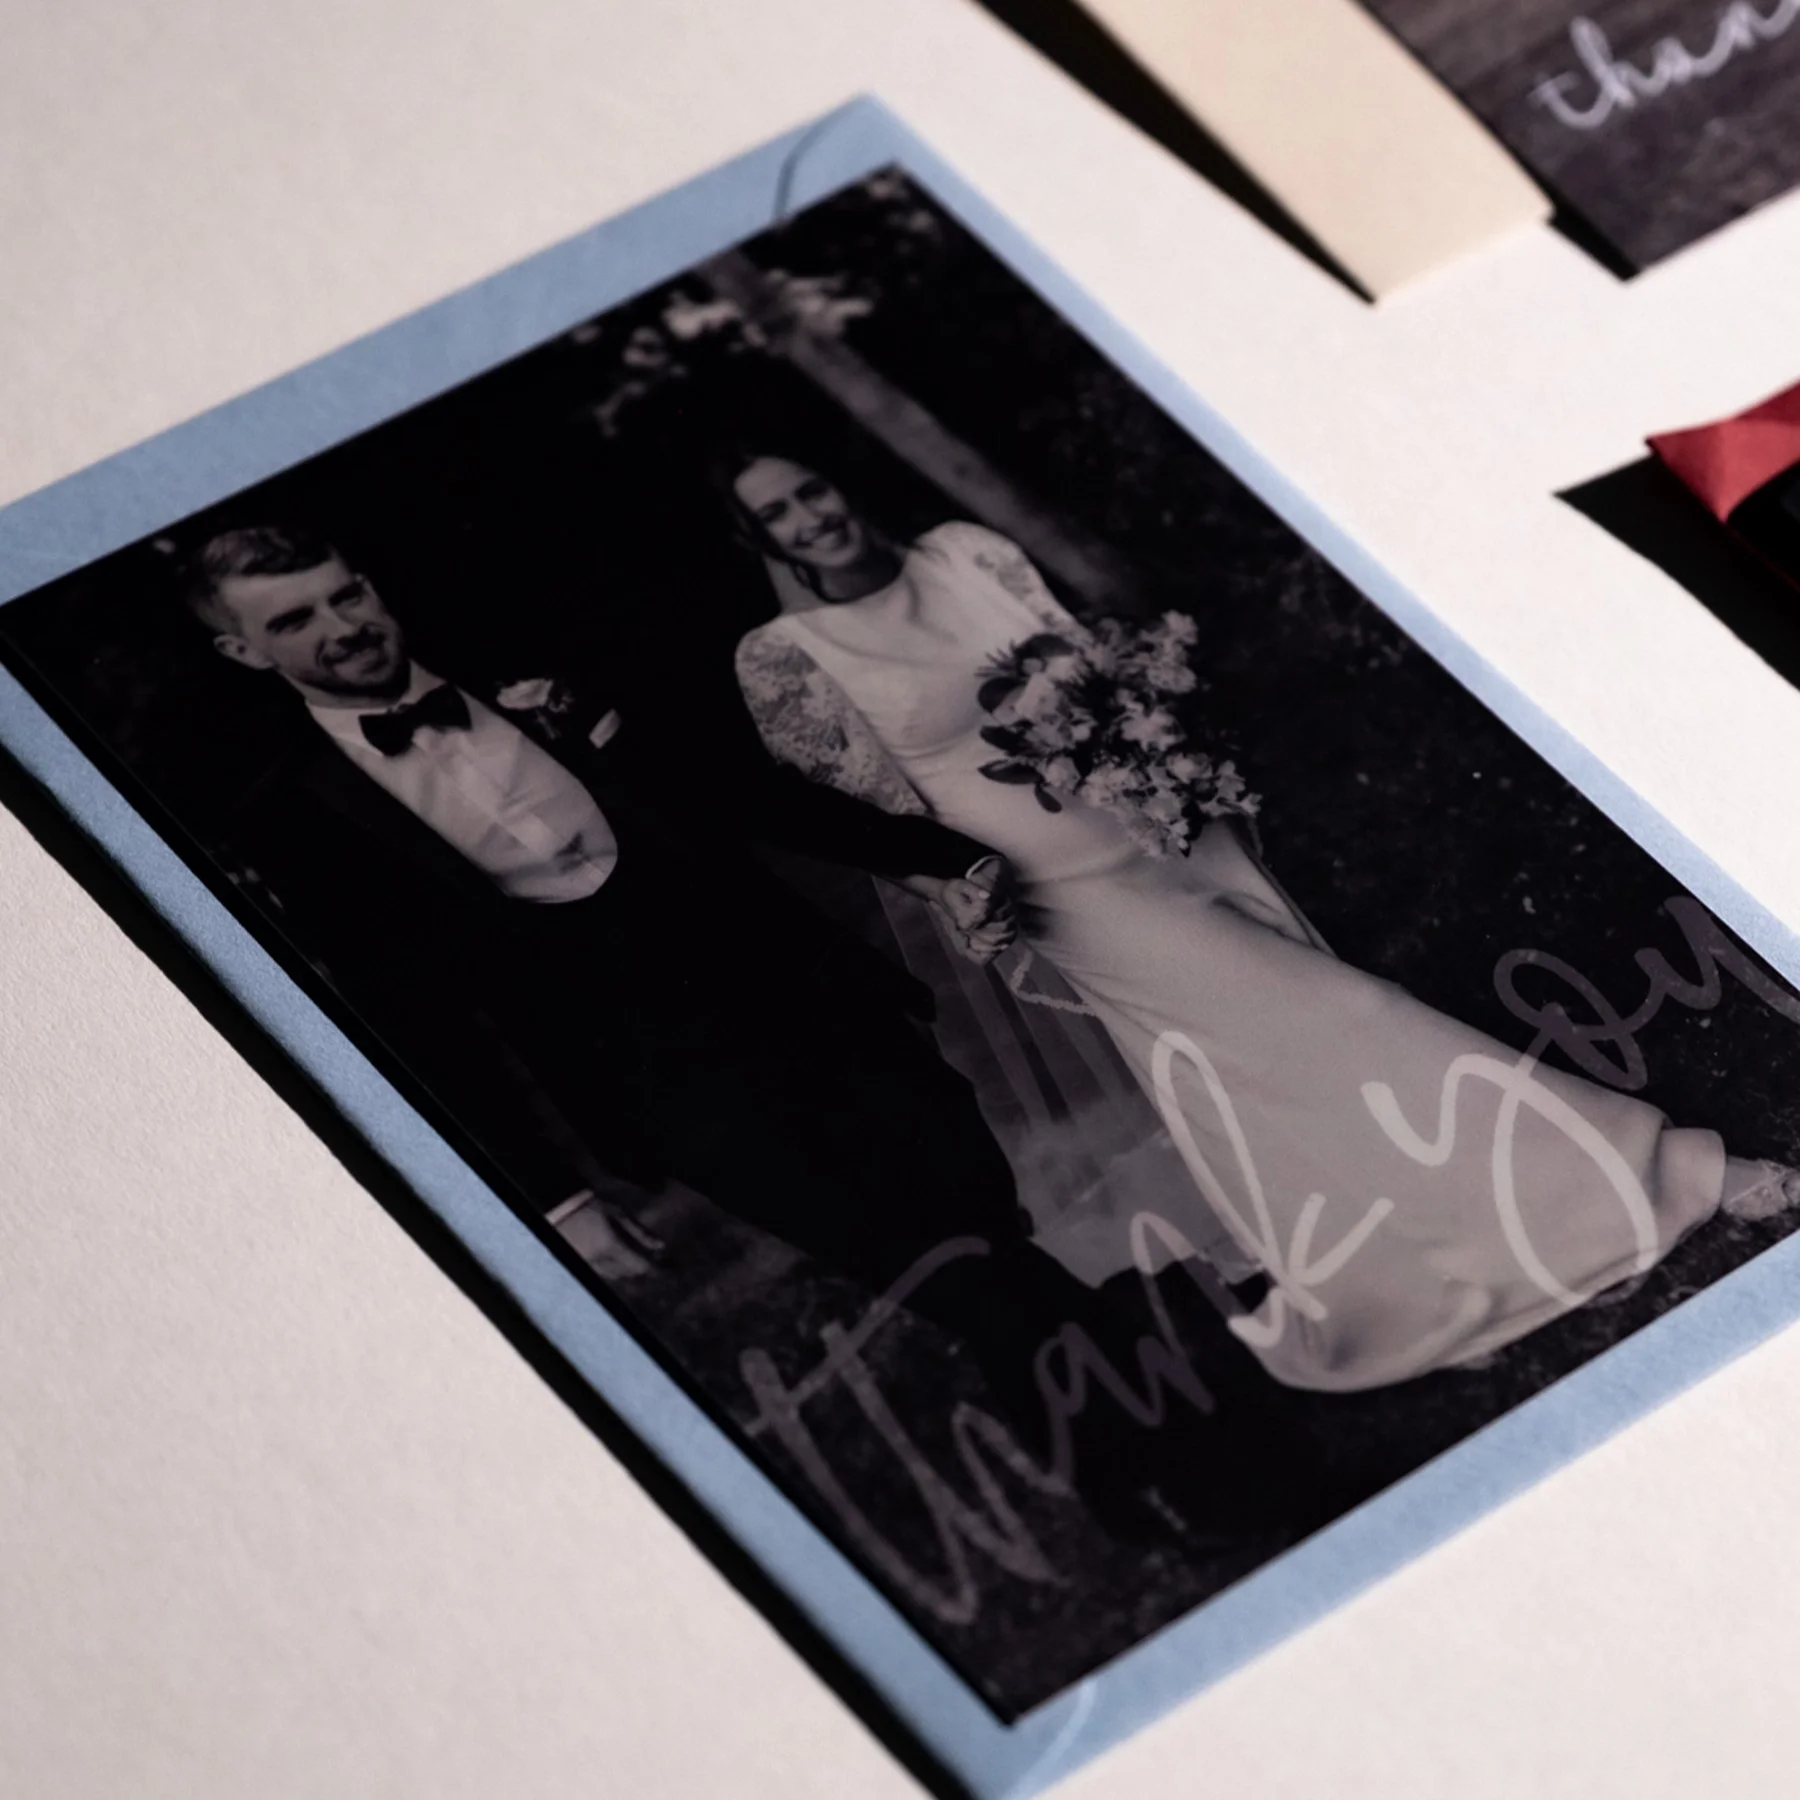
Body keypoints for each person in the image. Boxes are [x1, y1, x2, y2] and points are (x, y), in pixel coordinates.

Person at [178, 523, 1290, 1540]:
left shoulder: (523, 664)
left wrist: (942, 861)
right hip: (672, 1088)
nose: (344, 627)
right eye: (294, 620)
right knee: (943, 1267)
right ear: (241, 654)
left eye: (346, 593)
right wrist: (553, 1197)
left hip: (812, 998)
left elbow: (733, 791)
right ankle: (1221, 1468)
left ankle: (1118, 1480)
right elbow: (412, 1015)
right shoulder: (297, 818)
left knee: (980, 1235)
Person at [723, 450, 1800, 1393]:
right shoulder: (788, 659)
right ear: (759, 539)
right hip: (1060, 890)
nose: (809, 516)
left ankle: (1395, 1272)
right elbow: (876, 822)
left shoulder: (965, 554)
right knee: (1337, 1017)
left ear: (836, 483)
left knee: (1270, 1062)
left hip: (1159, 815)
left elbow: (1084, 661)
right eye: (777, 514)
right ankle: (1658, 1174)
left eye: (808, 488)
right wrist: (960, 895)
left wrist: (1161, 751)